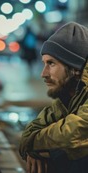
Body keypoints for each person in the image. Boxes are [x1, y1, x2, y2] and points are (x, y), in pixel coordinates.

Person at [19, 21, 88, 173]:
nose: (43, 74)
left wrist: (38, 149)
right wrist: (36, 150)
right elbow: (27, 136)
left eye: (51, 63)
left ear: (74, 68)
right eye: (44, 63)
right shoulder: (67, 97)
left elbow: (75, 131)